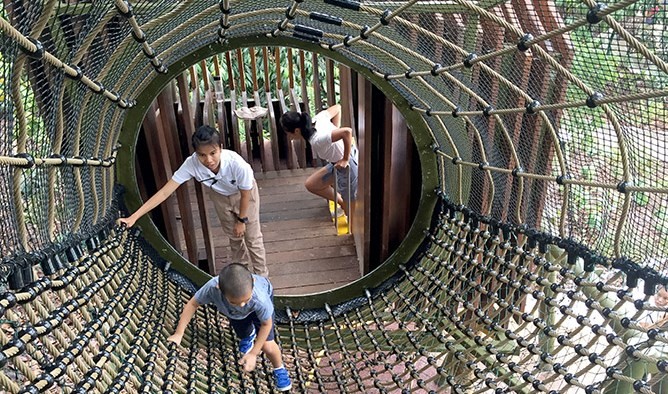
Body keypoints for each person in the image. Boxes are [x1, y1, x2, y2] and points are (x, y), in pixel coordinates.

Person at [118, 125, 268, 277]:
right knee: (234, 238)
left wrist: (242, 220)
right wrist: (134, 217)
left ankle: (262, 278)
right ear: (196, 154)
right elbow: (164, 192)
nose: (208, 160)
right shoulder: (191, 164)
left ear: (221, 148)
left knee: (252, 238)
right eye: (202, 155)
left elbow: (245, 194)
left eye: (213, 153)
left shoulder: (237, 164)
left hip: (243, 195)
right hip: (219, 196)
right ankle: (240, 276)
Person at [167, 263, 292, 391]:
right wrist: (179, 333)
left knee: (267, 345)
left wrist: (254, 353)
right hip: (234, 314)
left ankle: (279, 369)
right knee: (242, 331)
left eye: (246, 300)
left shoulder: (260, 298)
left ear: (253, 282)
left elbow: (267, 324)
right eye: (235, 302)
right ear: (219, 288)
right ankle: (249, 335)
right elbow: (193, 304)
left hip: (257, 307)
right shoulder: (212, 288)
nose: (242, 305)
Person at [279, 104, 358, 219]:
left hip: (348, 165)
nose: (289, 137)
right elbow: (338, 107)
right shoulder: (317, 119)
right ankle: (341, 202)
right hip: (336, 163)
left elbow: (347, 132)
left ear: (296, 130)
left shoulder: (317, 140)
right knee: (311, 184)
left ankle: (350, 216)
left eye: (288, 134)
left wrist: (345, 158)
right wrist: (334, 131)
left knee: (351, 215)